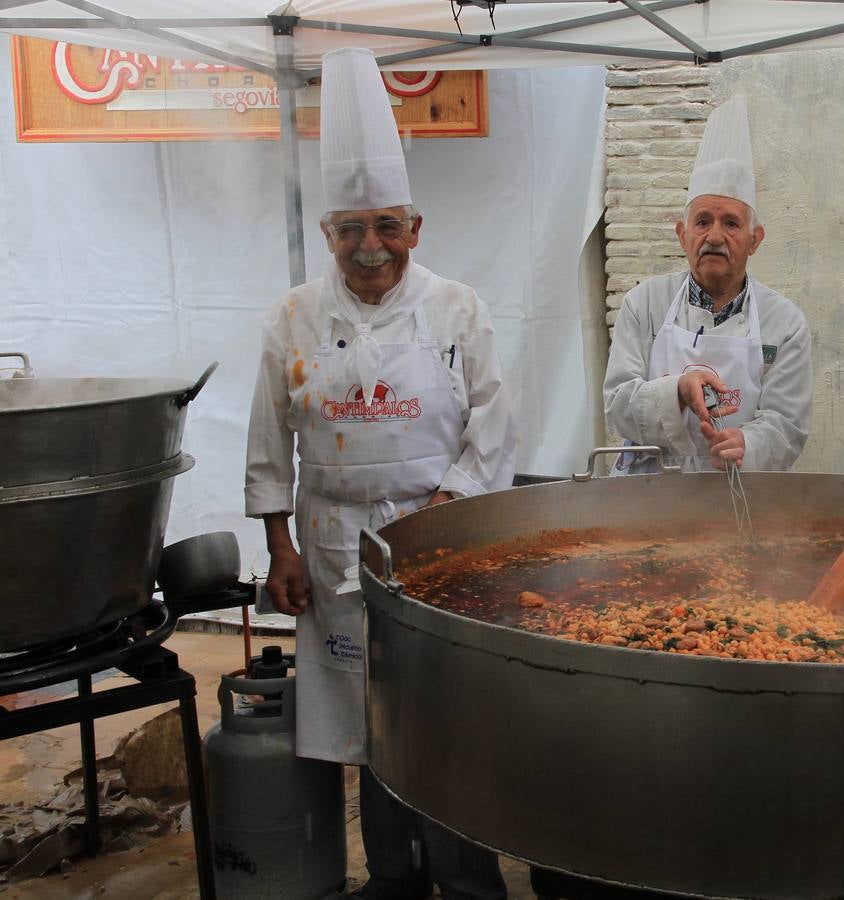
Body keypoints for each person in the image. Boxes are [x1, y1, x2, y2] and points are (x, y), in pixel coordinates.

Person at [244, 47, 514, 900]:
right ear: (328, 234)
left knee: (446, 720)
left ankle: (468, 883)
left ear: (416, 227)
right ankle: (393, 877)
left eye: (387, 227)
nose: (371, 249)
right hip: (331, 547)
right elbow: (266, 441)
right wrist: (280, 547)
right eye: (352, 230)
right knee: (369, 721)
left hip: (436, 545)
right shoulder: (292, 316)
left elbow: (495, 432)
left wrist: (442, 516)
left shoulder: (456, 308)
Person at [603, 96, 813, 474]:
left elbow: (787, 424)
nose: (714, 236)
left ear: (755, 239)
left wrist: (748, 442)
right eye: (702, 221)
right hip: (647, 499)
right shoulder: (644, 304)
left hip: (737, 498)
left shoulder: (785, 322)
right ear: (683, 235)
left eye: (731, 223)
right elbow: (617, 404)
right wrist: (677, 391)